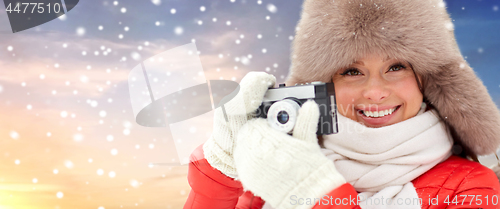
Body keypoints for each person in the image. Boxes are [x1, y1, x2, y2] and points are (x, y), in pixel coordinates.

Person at [183, 0, 500, 208]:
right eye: (352, 71)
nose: (375, 92)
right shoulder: (276, 173)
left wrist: (316, 193)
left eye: (396, 67)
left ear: (428, 79)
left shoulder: (471, 186)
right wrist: (221, 164)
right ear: (324, 85)